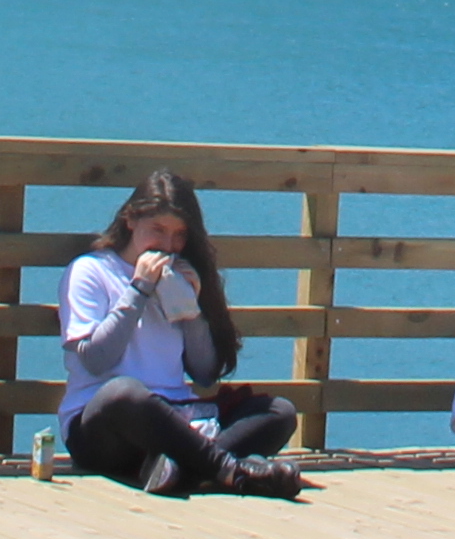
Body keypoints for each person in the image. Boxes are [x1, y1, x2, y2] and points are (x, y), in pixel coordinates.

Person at [55, 171, 307, 500]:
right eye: (157, 230)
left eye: (179, 235)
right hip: (105, 427)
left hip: (178, 417)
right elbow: (96, 361)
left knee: (280, 412)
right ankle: (230, 470)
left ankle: (177, 471)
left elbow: (204, 374)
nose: (168, 245)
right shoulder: (91, 271)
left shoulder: (182, 277)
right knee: (124, 393)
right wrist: (139, 289)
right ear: (131, 220)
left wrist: (193, 311)